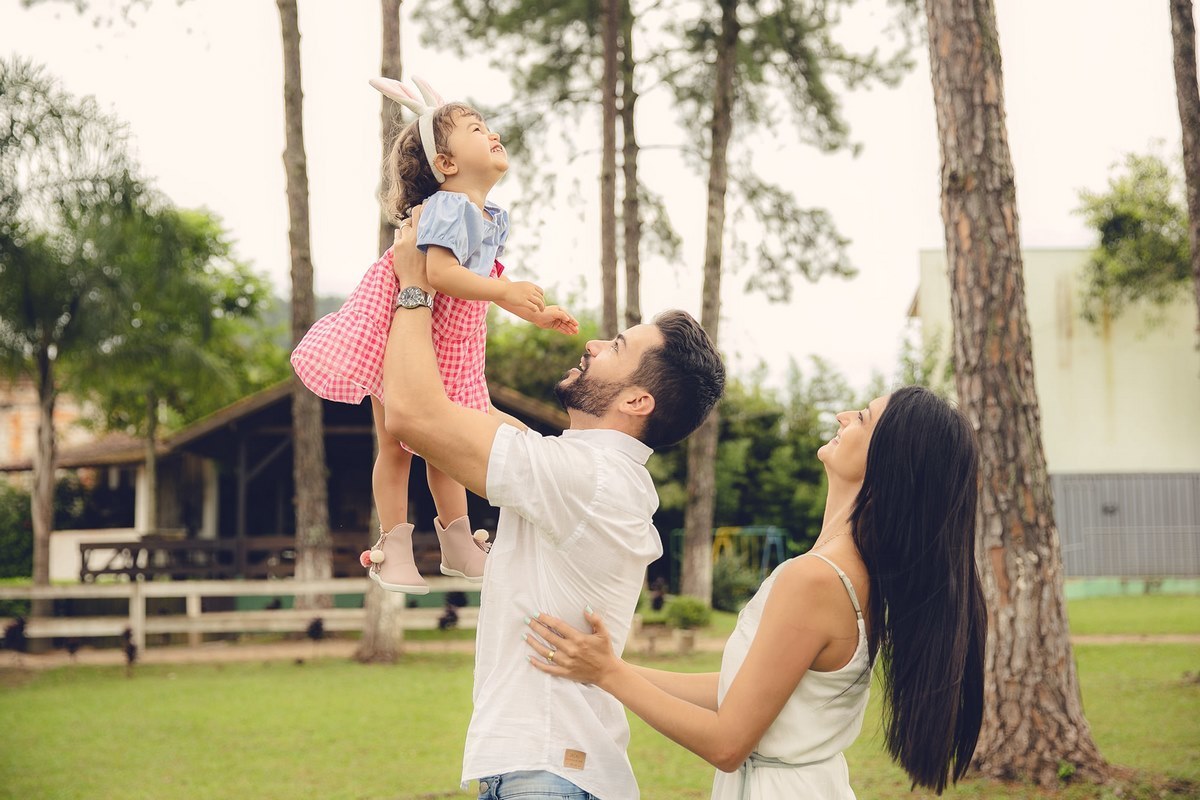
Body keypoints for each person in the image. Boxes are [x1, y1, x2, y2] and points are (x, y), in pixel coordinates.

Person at [381, 205, 725, 800]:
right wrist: (451, 271)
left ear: (637, 400)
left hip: (549, 774)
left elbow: (416, 413)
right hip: (544, 770)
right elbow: (456, 401)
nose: (592, 344)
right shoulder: (583, 470)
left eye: (616, 345)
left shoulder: (587, 479)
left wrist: (415, 285)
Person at [523, 386, 988, 798]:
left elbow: (727, 743)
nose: (843, 417)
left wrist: (608, 676)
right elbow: (742, 690)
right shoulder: (853, 572)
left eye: (862, 418)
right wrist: (610, 667)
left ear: (889, 459)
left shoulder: (816, 578)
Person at [290, 76, 577, 595]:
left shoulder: (485, 215)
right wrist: (505, 294)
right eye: (475, 128)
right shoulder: (447, 206)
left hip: (455, 343)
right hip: (407, 331)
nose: (491, 134)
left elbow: (478, 279)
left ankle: (458, 544)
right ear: (446, 163)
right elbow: (440, 275)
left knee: (446, 445)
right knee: (396, 445)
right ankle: (393, 547)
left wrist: (529, 311)